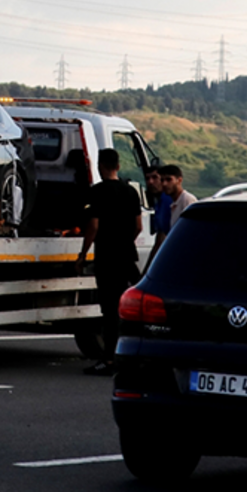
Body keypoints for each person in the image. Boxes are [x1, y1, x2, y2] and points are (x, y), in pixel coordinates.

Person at [79, 148, 142, 375]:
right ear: (118, 165)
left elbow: (93, 226)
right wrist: (125, 242)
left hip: (107, 257)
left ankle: (109, 360)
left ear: (100, 166)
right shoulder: (131, 191)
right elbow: (138, 226)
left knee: (109, 310)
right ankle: (133, 354)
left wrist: (83, 253)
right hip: (127, 256)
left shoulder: (96, 192)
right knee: (131, 307)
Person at [143, 166, 172, 270]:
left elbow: (161, 238)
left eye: (155, 178)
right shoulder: (159, 202)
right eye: (147, 179)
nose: (150, 182)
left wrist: (148, 268)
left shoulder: (167, 200)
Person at [160, 163, 197, 231]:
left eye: (169, 180)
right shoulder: (174, 203)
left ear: (179, 180)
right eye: (162, 180)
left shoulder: (187, 200)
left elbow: (193, 229)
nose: (164, 184)